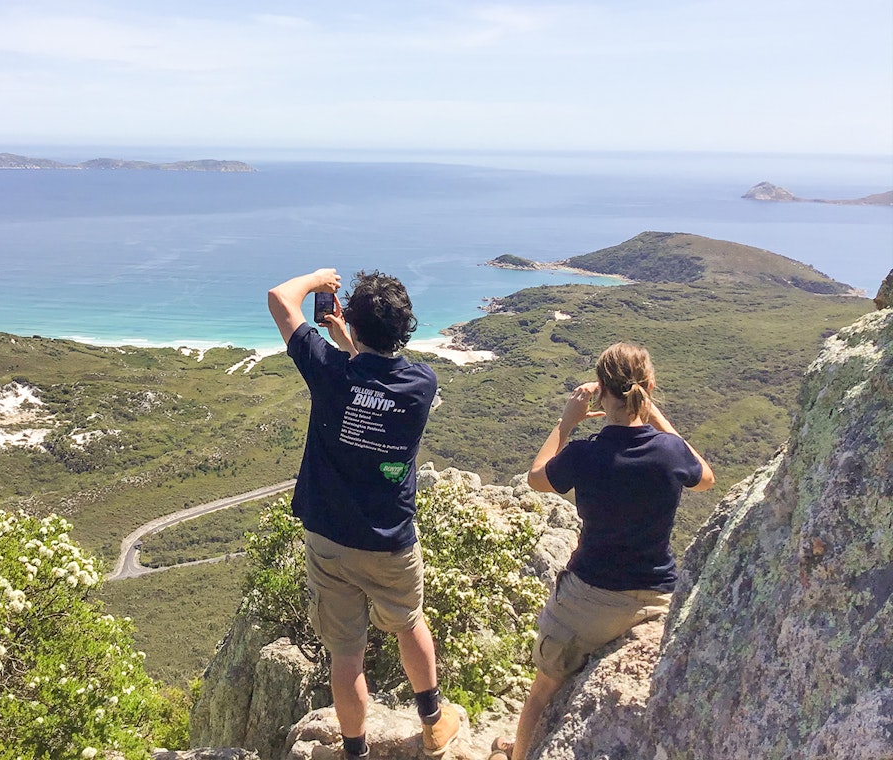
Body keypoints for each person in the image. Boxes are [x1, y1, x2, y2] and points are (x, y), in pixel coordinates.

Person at [267, 268, 462, 758]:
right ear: (404, 329)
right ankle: (434, 722)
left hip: (330, 538)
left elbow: (279, 298)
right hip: (391, 539)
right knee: (409, 621)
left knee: (347, 653)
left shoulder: (330, 370)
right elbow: (380, 383)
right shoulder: (421, 383)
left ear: (351, 327)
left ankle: (355, 751)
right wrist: (353, 342)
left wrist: (316, 280)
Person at [490, 342, 715, 760]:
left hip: (588, 601)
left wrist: (566, 422)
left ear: (601, 394)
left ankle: (518, 754)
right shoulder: (670, 453)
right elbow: (705, 478)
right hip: (657, 597)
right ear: (647, 388)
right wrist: (655, 415)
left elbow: (536, 478)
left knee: (541, 690)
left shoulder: (585, 453)